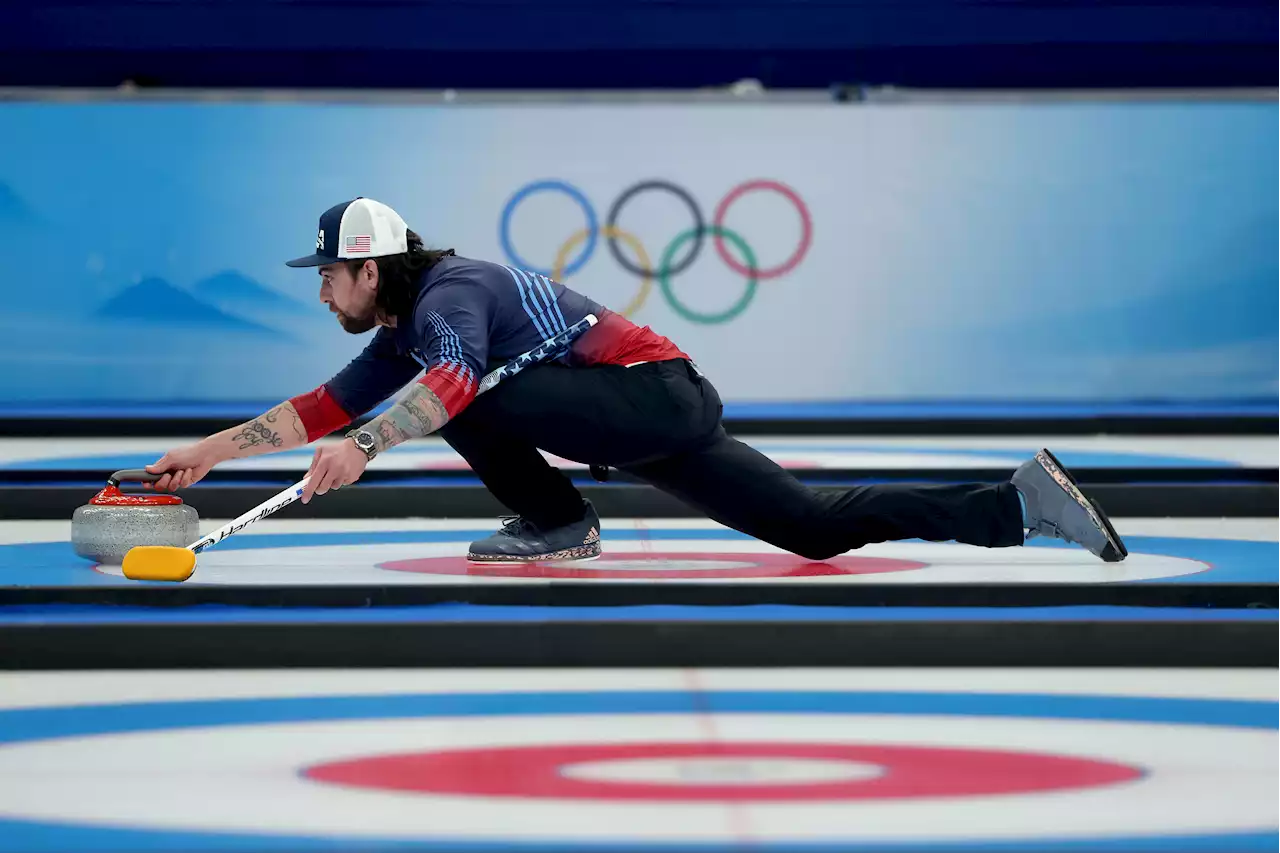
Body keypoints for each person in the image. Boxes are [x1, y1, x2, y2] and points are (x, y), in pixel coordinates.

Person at [146, 197, 1128, 564]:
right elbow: (322, 405)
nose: (320, 293)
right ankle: (1017, 507)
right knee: (814, 529)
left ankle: (560, 523)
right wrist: (209, 452)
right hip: (642, 417)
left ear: (368, 269)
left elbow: (439, 386)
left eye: (326, 276)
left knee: (459, 396)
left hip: (653, 395)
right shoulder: (399, 329)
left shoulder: (449, 299)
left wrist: (363, 447)